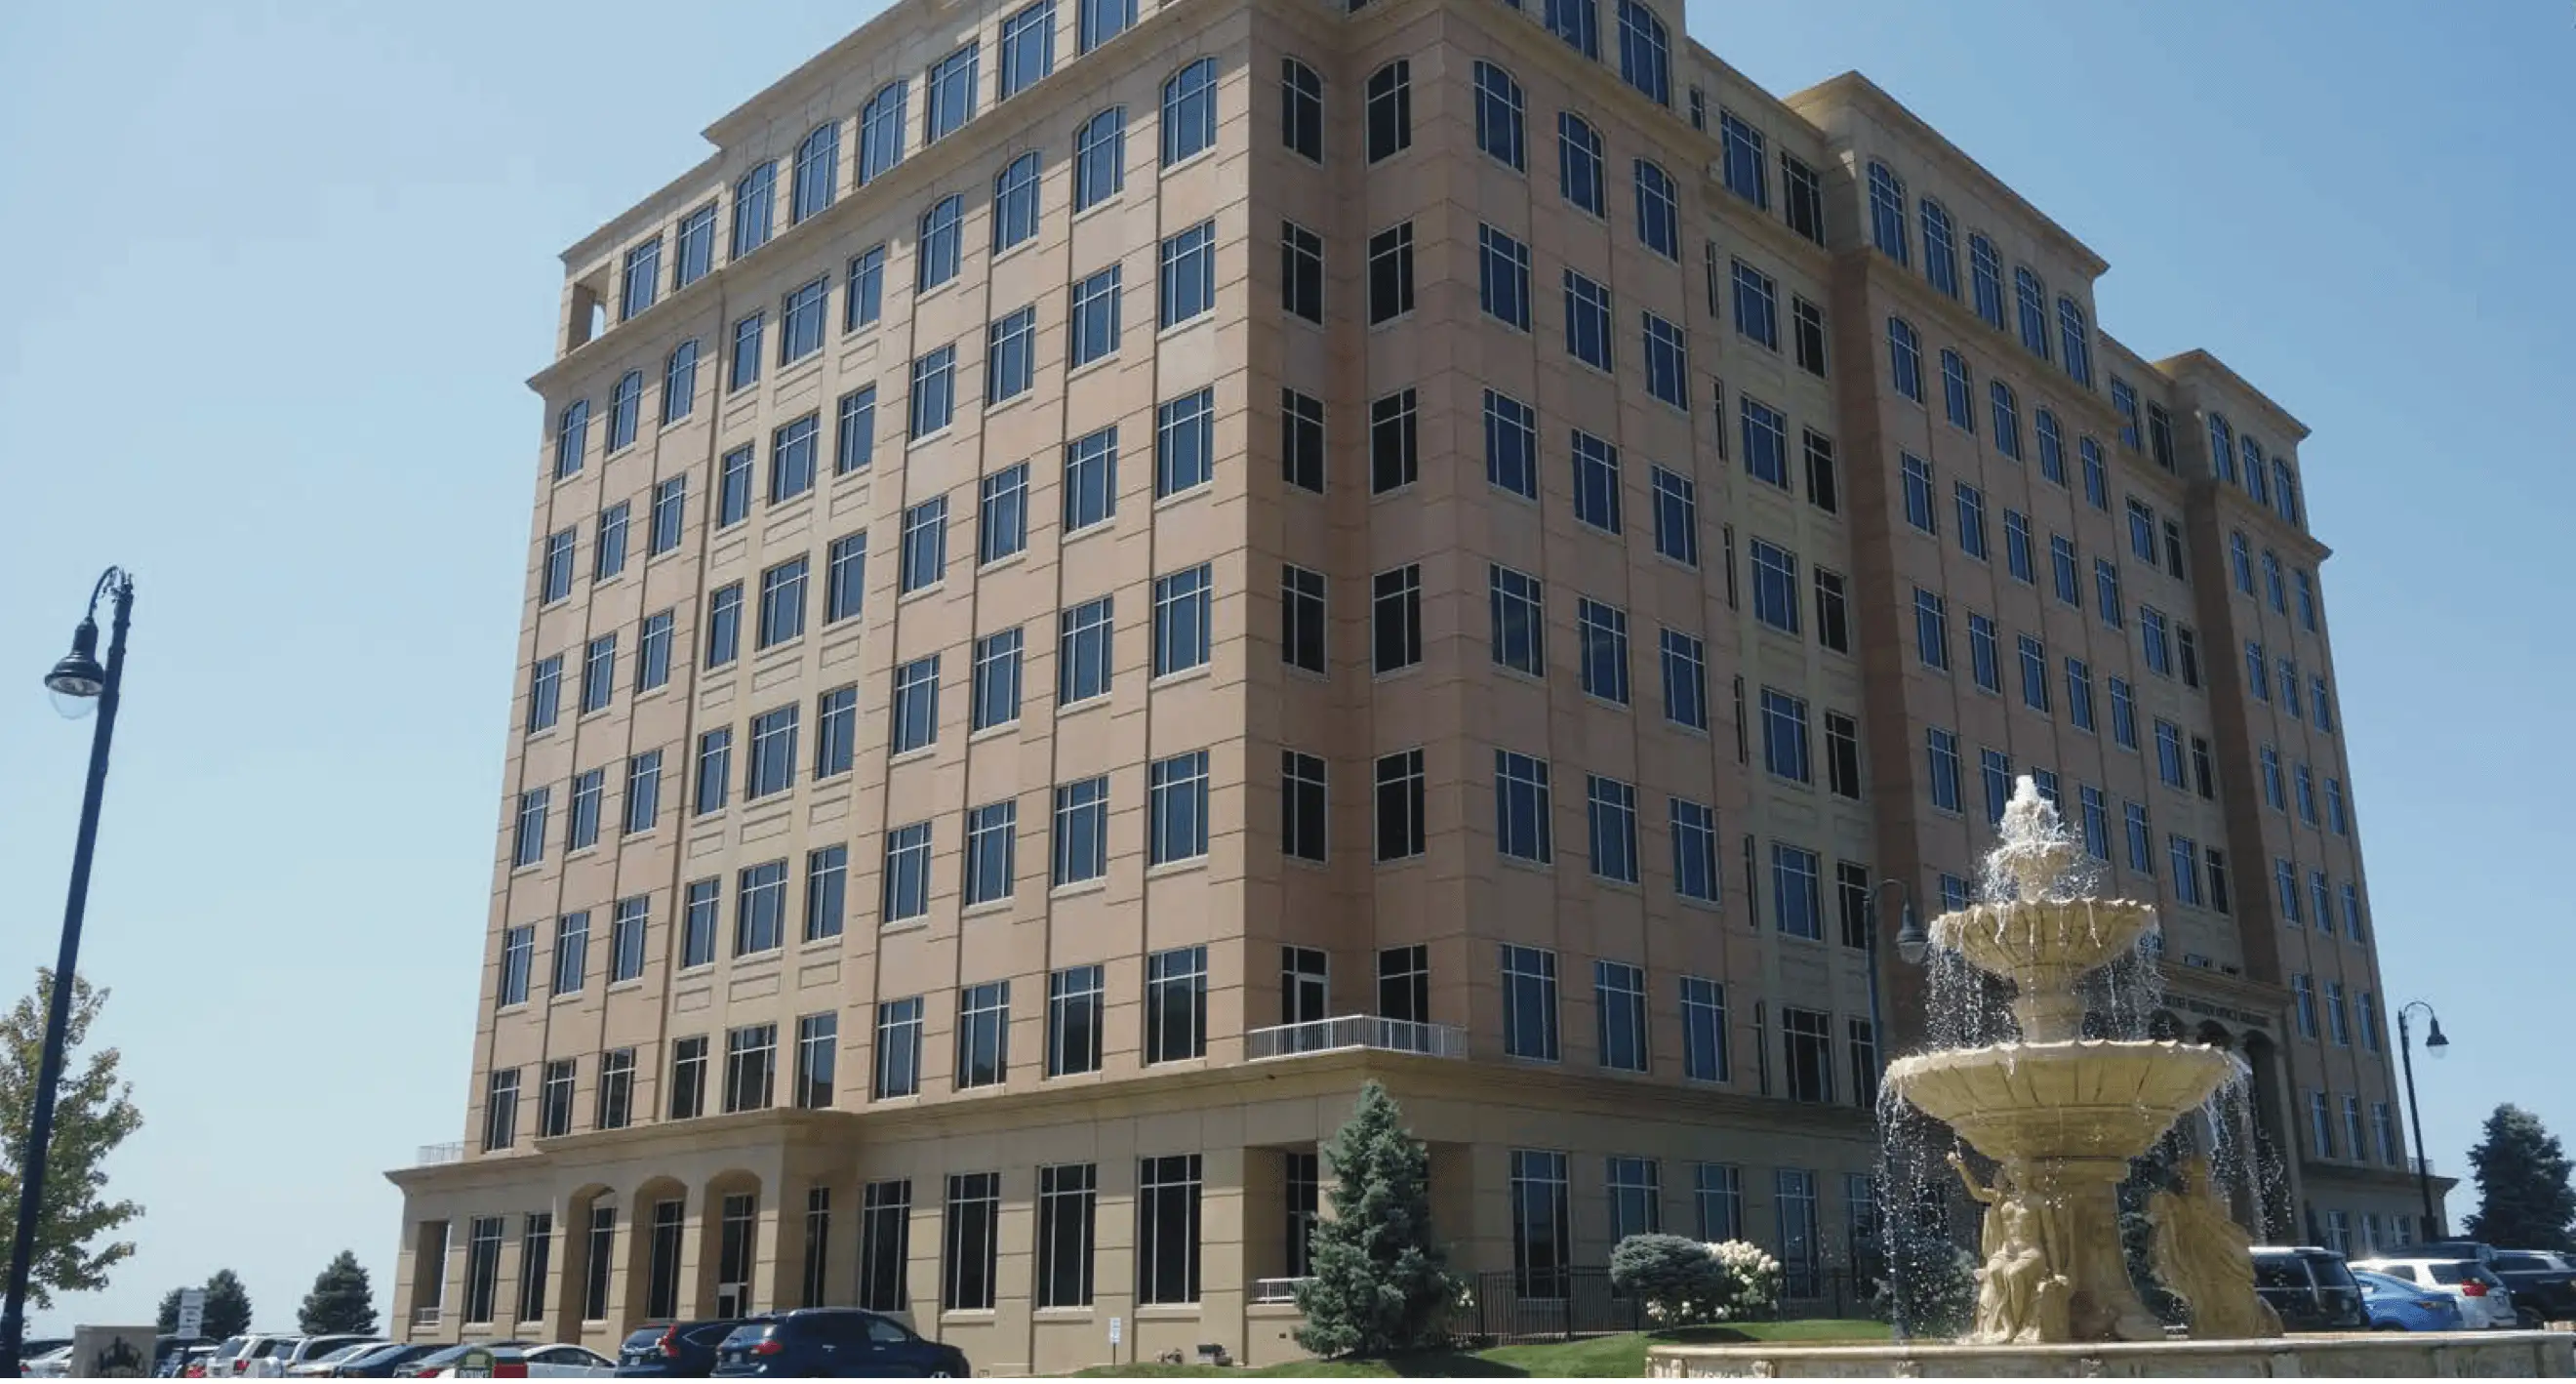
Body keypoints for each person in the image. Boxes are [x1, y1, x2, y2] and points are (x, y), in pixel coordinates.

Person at [2149, 1155, 2283, 1338]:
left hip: (2215, 1252)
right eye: (2186, 1178)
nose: (2188, 1182)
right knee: (2209, 1289)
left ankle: (2231, 1326)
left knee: (2223, 1289)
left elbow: (2219, 1225)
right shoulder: (2200, 1199)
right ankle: (2218, 1325)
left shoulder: (2208, 1199)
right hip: (2204, 1251)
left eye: (2191, 1177)